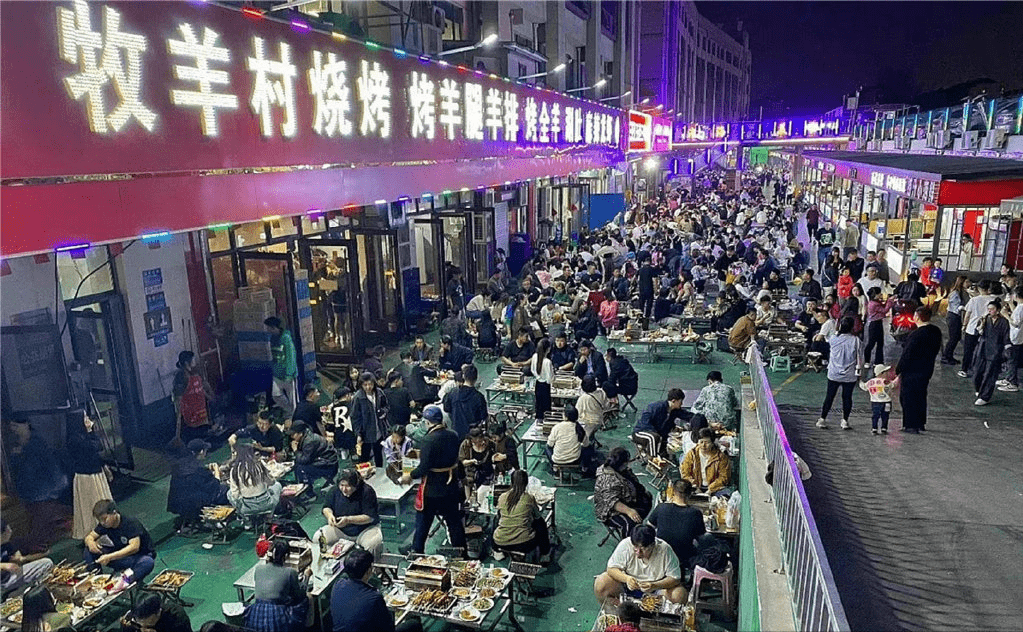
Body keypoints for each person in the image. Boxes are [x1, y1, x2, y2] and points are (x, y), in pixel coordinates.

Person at [400, 406, 467, 555]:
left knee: (423, 522)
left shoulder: (428, 440)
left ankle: (417, 550)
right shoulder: (453, 435)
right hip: (451, 486)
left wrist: (409, 476)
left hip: (433, 490)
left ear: (427, 422)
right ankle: (462, 554)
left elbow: (424, 467)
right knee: (454, 522)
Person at [330, 549, 422, 632]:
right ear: (368, 571)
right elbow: (388, 628)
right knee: (413, 623)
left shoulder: (337, 585)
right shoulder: (374, 598)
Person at [593, 524, 686, 606]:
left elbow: (675, 578)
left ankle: (660, 615)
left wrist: (654, 585)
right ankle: (616, 612)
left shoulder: (665, 550)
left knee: (679, 594)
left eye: (643, 549)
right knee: (601, 583)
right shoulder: (625, 545)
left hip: (656, 589)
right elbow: (611, 569)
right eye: (635, 548)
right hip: (628, 587)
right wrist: (627, 579)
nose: (638, 553)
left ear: (653, 545)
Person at [313, 469, 384, 563]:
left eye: (348, 486)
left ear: (356, 485)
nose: (344, 489)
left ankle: (372, 568)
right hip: (340, 530)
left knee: (374, 544)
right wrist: (330, 516)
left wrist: (348, 520)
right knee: (318, 537)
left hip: (364, 530)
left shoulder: (367, 491)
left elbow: (370, 517)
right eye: (341, 485)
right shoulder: (334, 490)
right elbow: (326, 507)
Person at [66, 410, 114, 541]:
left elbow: (99, 447)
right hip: (86, 478)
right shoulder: (74, 440)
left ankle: (108, 529)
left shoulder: (85, 435)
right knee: (90, 505)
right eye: (85, 417)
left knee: (102, 501)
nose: (88, 420)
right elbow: (93, 447)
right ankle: (94, 533)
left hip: (95, 474)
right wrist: (90, 432)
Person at [894, 307, 943, 433]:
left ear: (917, 317)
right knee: (921, 396)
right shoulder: (935, 331)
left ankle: (911, 425)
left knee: (908, 398)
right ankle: (920, 423)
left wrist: (899, 369)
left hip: (912, 370)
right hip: (927, 368)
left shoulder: (916, 334)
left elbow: (907, 354)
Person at [84, 500, 156, 583]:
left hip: (138, 556)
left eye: (105, 519)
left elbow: (134, 547)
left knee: (147, 562)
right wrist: (90, 543)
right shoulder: (104, 525)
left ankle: (125, 582)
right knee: (88, 550)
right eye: (100, 520)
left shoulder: (130, 523)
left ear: (114, 513)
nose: (102, 523)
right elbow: (90, 536)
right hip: (120, 556)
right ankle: (96, 580)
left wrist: (109, 557)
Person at [244, 541, 308, 632]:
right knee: (305, 601)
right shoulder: (290, 572)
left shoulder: (258, 569)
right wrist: (307, 576)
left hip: (255, 614)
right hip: (275, 618)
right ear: (286, 556)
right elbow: (299, 596)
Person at [167, 439, 229, 527]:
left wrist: (206, 470)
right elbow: (214, 486)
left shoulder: (181, 464)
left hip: (177, 504)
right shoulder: (197, 469)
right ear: (201, 451)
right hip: (194, 504)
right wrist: (216, 471)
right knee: (224, 489)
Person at [646, 480, 706, 571]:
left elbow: (648, 528)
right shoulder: (695, 513)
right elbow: (700, 535)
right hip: (684, 556)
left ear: (673, 491)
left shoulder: (661, 507)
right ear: (690, 494)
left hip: (662, 554)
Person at [492, 470, 551, 561]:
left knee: (496, 519)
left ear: (511, 482)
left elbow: (500, 515)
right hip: (524, 544)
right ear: (526, 483)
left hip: (500, 542)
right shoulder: (528, 498)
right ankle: (545, 554)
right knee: (540, 523)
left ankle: (497, 552)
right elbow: (537, 516)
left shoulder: (502, 497)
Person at [816, 317, 863, 430]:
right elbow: (860, 359)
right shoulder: (856, 341)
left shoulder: (833, 339)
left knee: (830, 396)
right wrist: (860, 373)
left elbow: (822, 339)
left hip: (834, 373)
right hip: (849, 374)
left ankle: (822, 419)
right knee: (847, 398)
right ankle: (845, 421)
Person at [594, 448, 653, 537]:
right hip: (610, 511)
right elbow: (612, 502)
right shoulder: (608, 479)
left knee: (647, 500)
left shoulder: (622, 470)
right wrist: (629, 511)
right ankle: (629, 541)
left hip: (627, 500)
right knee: (629, 523)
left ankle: (638, 525)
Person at [225, 439, 282, 521]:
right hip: (267, 504)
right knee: (277, 485)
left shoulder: (234, 470)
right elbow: (271, 482)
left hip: (247, 508)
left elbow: (235, 495)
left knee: (229, 493)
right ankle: (270, 515)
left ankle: (245, 519)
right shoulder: (259, 465)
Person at [173, 350, 216, 444]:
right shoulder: (181, 377)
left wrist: (211, 398)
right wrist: (179, 420)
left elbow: (202, 389)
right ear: (186, 363)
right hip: (190, 416)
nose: (195, 361)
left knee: (205, 437)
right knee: (195, 439)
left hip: (201, 413)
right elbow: (178, 399)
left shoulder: (196, 372)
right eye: (193, 360)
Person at [973, 299, 1010, 406]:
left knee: (990, 375)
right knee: (977, 373)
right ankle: (979, 389)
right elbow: (977, 333)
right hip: (983, 349)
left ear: (998, 310)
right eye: (988, 309)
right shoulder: (985, 319)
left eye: (992, 309)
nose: (989, 311)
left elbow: (1006, 337)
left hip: (995, 351)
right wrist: (980, 327)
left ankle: (985, 396)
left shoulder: (1003, 322)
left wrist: (1006, 350)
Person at [1, 519, 54, 592]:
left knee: (47, 563)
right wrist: (4, 566)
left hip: (10, 578)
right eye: (7, 530)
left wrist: (42, 554)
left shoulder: (7, 545)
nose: (10, 531)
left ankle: (37, 590)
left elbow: (20, 559)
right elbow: (7, 566)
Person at [632, 389, 686, 458]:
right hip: (641, 431)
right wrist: (655, 431)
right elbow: (645, 421)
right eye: (680, 401)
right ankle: (653, 459)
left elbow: (686, 415)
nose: (682, 404)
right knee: (653, 437)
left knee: (664, 439)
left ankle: (662, 456)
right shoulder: (657, 407)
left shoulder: (674, 410)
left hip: (656, 433)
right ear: (673, 401)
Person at [350, 372, 389, 467]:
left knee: (378, 454)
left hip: (379, 430)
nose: (368, 387)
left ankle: (379, 472)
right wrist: (358, 433)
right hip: (365, 432)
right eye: (365, 385)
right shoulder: (358, 397)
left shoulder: (379, 393)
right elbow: (355, 417)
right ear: (361, 385)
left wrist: (383, 412)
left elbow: (386, 406)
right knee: (364, 456)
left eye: (370, 384)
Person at [679, 428, 732, 496]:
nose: (703, 445)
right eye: (701, 442)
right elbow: (685, 474)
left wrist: (710, 489)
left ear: (712, 443)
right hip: (695, 487)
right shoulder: (692, 454)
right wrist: (695, 486)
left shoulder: (721, 457)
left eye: (707, 442)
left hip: (715, 488)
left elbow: (724, 477)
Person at [264, 318, 299, 420]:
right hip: (277, 374)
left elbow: (291, 357)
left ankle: (294, 418)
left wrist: (289, 374)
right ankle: (289, 412)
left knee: (293, 400)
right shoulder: (272, 339)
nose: (268, 330)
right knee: (276, 395)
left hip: (288, 375)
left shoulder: (286, 338)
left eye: (269, 328)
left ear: (274, 328)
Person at [442, 364, 488, 440]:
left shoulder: (453, 393)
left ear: (463, 376)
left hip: (456, 432)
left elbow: (446, 408)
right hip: (473, 435)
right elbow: (483, 417)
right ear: (476, 378)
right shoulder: (479, 397)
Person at [959, 279, 994, 378]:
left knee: (968, 350)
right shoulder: (993, 300)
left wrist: (964, 326)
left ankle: (964, 369)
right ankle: (981, 370)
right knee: (983, 350)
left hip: (972, 327)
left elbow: (967, 314)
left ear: (979, 288)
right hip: (987, 328)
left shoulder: (974, 300)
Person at [289, 421, 339, 487]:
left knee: (301, 467)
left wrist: (295, 450)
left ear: (300, 433)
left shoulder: (309, 441)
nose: (292, 436)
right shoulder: (307, 437)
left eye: (293, 434)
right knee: (298, 465)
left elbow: (305, 460)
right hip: (324, 460)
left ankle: (306, 487)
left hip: (328, 464)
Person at [859, 364, 898, 435]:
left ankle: (874, 428)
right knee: (885, 415)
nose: (887, 373)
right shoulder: (885, 381)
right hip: (886, 402)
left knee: (875, 415)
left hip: (875, 402)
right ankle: (884, 428)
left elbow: (864, 387)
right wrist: (897, 378)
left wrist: (859, 381)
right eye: (886, 372)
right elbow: (893, 385)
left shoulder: (871, 382)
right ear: (881, 373)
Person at [124, 592, 193, 632]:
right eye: (139, 624)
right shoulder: (134, 617)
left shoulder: (177, 618)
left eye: (148, 625)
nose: (144, 628)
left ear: (158, 613)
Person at [941, 276, 971, 365]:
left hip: (955, 316)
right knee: (953, 338)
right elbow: (955, 308)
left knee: (956, 337)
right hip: (953, 316)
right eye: (967, 282)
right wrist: (964, 308)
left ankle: (949, 356)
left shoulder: (960, 292)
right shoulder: (955, 293)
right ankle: (946, 356)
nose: (968, 284)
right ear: (962, 282)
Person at [458, 427, 496, 496]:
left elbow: (495, 454)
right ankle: (468, 498)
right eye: (475, 439)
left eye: (479, 439)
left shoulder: (489, 443)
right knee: (468, 481)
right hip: (471, 471)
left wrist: (494, 457)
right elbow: (463, 461)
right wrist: (472, 461)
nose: (477, 441)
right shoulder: (466, 444)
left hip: (487, 471)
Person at [546, 404, 586, 470]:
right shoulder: (579, 428)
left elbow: (550, 444)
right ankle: (584, 468)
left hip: (558, 460)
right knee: (586, 448)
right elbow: (586, 444)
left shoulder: (557, 427)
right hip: (575, 460)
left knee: (547, 447)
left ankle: (554, 468)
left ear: (566, 417)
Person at [1000, 285, 1023, 393]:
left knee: (1012, 361)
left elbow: (1016, 323)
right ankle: (1008, 378)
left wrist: (1006, 315)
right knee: (1011, 359)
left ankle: (1013, 383)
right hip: (1017, 337)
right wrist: (1010, 304)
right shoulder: (1020, 306)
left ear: (1016, 296)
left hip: (1016, 338)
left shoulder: (1021, 308)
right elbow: (1016, 315)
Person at [863, 287, 894, 365]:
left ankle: (879, 361)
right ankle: (867, 361)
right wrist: (889, 301)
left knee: (880, 343)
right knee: (871, 343)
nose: (881, 295)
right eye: (879, 294)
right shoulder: (874, 304)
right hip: (874, 324)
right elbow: (884, 310)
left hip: (878, 323)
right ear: (875, 295)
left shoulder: (874, 302)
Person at [576, 375, 610, 441]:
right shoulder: (601, 392)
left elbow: (577, 412)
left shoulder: (583, 398)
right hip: (599, 420)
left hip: (588, 423)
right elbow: (607, 406)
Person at [531, 338, 554, 422]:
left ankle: (538, 420)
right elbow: (550, 378)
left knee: (538, 404)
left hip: (538, 384)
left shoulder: (534, 356)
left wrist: (538, 376)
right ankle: (547, 421)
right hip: (545, 386)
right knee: (546, 405)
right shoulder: (547, 362)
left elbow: (533, 370)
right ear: (548, 349)